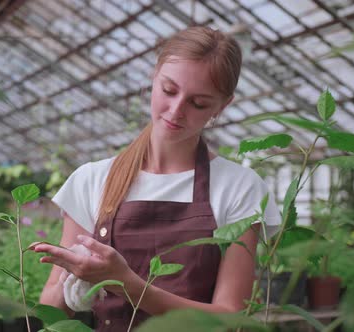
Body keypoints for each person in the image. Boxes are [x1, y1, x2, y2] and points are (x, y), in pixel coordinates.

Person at [34, 26, 281, 331]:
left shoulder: (238, 188)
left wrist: (127, 283)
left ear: (222, 106)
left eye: (198, 103)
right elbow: (57, 293)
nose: (176, 110)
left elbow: (230, 316)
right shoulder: (92, 180)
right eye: (169, 90)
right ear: (153, 79)